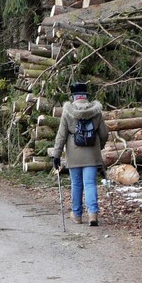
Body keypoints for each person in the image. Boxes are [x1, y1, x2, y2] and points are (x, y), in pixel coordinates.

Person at [52, 82, 108, 226]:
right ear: (86, 96)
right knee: (90, 184)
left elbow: (61, 135)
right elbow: (104, 134)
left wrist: (56, 155)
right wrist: (98, 147)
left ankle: (77, 215)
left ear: (73, 96)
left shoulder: (67, 111)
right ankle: (93, 215)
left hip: (74, 154)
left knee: (76, 184)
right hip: (92, 155)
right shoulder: (96, 111)